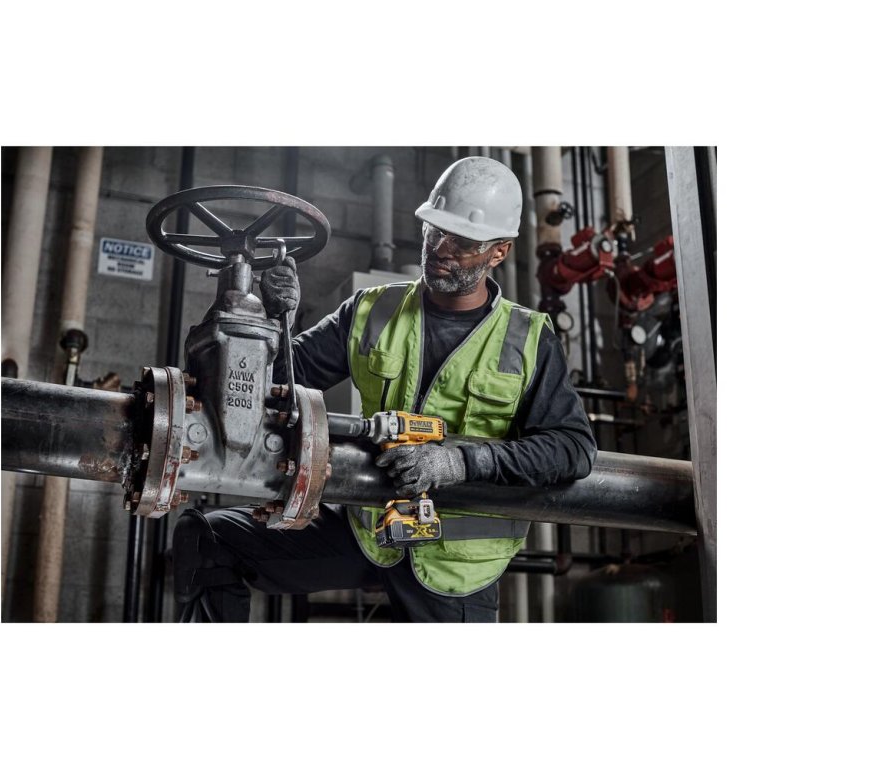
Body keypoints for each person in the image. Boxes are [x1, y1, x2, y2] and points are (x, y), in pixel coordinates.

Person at [172, 156, 596, 622]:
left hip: (456, 561)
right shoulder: (373, 310)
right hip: (371, 528)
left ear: (499, 252)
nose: (441, 249)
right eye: (435, 231)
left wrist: (459, 462)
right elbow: (266, 386)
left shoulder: (528, 338)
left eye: (463, 241)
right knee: (211, 539)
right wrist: (268, 321)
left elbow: (572, 448)